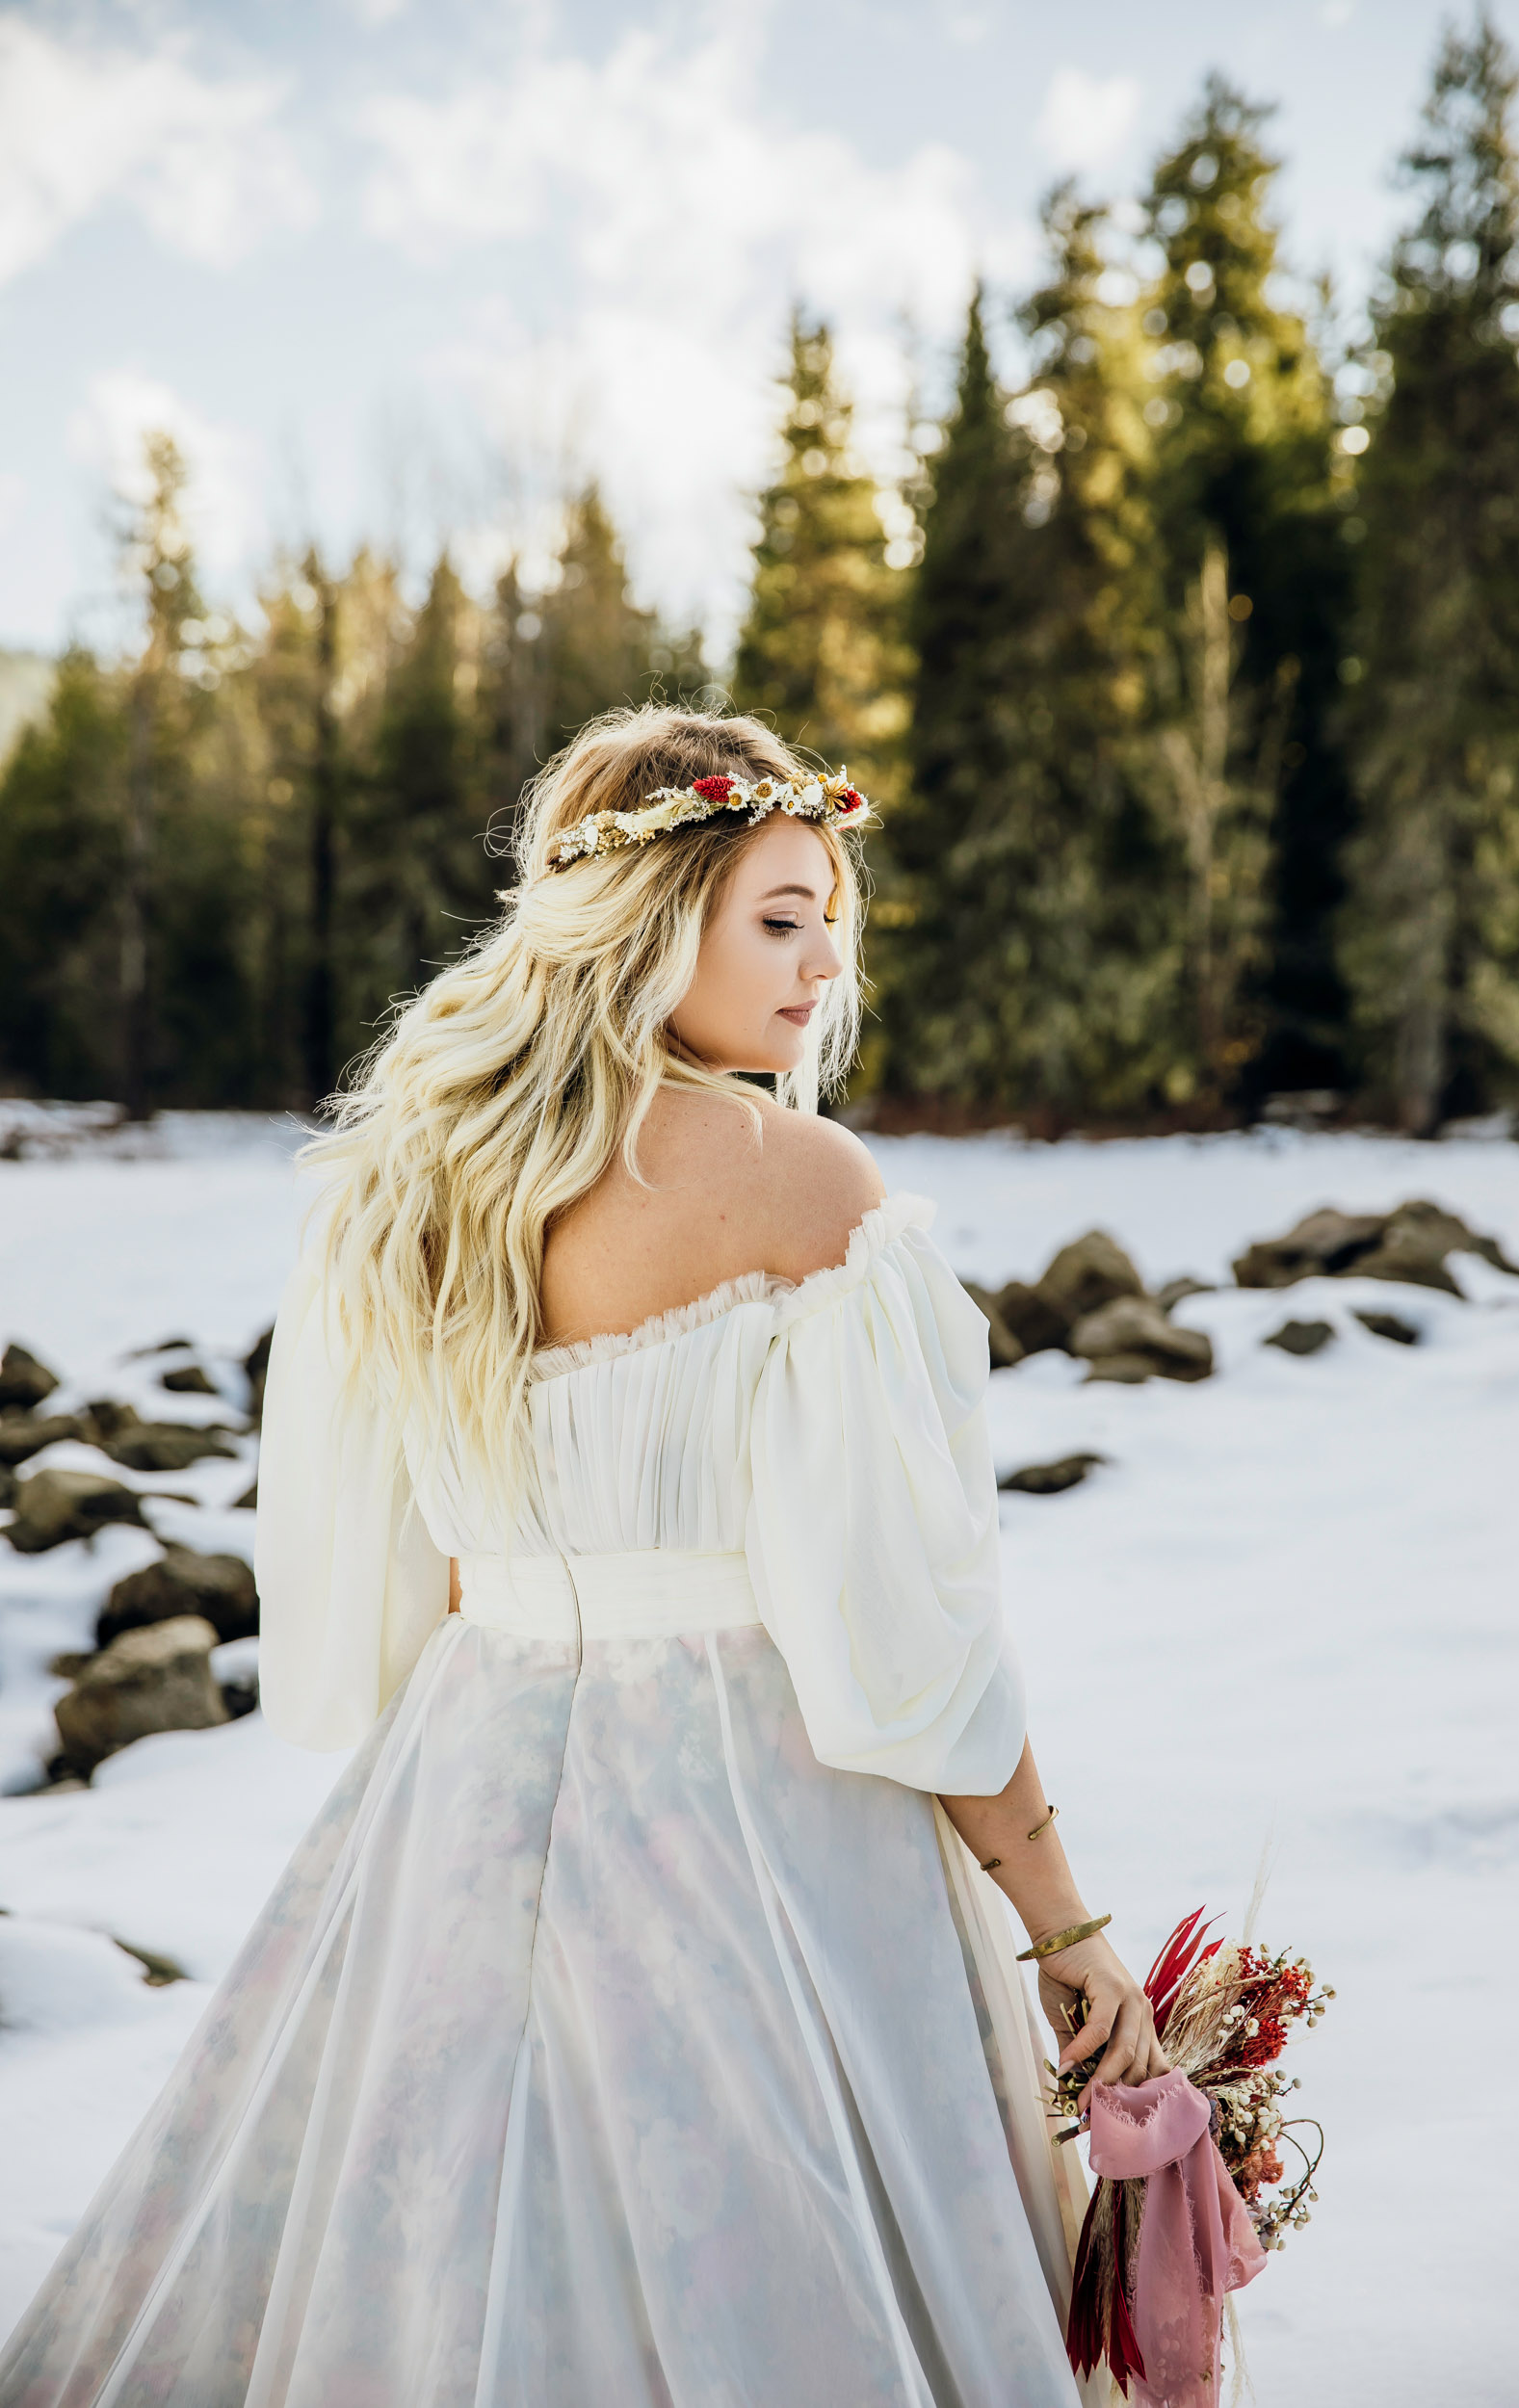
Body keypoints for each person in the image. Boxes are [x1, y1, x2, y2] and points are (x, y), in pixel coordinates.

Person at [0, 706, 1165, 2408]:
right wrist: (1069, 1932)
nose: (826, 963)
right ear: (645, 915)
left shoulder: (409, 1183)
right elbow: (912, 1648)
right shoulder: (801, 1185)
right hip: (764, 1831)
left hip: (455, 1807)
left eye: (834, 915)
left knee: (416, 2244)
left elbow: (403, 1578)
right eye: (780, 914)